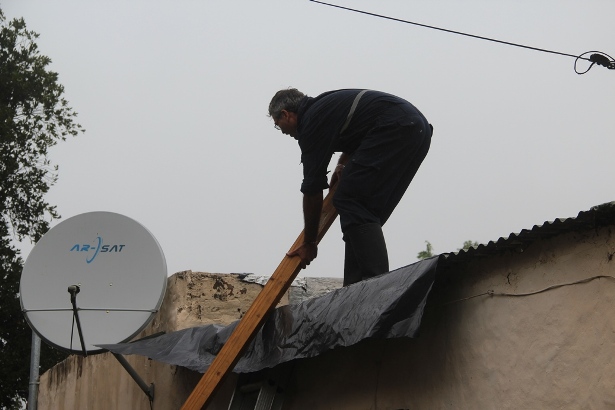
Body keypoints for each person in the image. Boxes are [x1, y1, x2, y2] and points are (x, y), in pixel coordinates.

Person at [269, 88, 432, 286]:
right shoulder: (325, 108)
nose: (284, 132)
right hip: (417, 131)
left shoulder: (311, 122)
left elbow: (312, 188)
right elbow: (358, 130)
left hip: (396, 127)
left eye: (279, 125)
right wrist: (344, 164)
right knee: (363, 213)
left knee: (350, 199)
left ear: (286, 114)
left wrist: (309, 243)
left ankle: (374, 284)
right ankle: (355, 286)